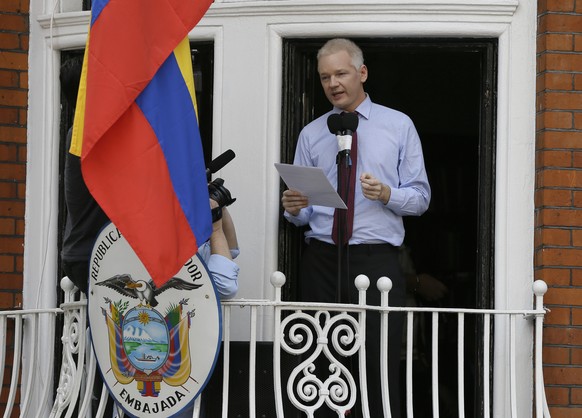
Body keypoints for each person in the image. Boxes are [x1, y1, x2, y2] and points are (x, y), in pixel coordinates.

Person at [281, 38, 431, 418]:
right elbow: (301, 214)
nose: (333, 84)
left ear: (362, 73)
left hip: (376, 260)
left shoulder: (398, 125)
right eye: (325, 77)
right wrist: (294, 208)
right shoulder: (311, 134)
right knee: (318, 363)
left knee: (379, 365)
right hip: (321, 260)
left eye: (341, 73)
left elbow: (421, 198)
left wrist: (386, 194)